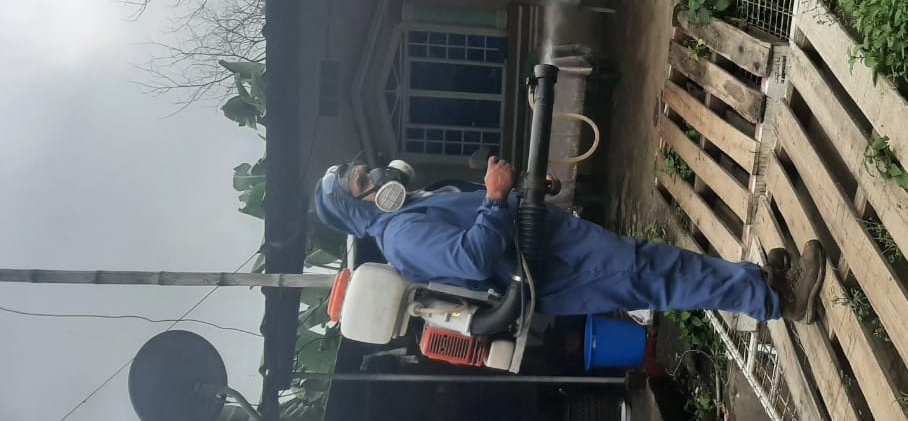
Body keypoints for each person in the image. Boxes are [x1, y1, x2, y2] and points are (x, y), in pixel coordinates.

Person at [313, 156, 825, 323]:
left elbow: (481, 214)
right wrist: (495, 197)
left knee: (654, 263)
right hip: (550, 267)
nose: (376, 174)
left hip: (550, 241)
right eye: (362, 181)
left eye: (366, 169)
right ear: (359, 206)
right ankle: (780, 300)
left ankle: (758, 282)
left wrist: (525, 193)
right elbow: (472, 259)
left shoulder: (410, 208)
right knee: (656, 275)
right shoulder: (401, 234)